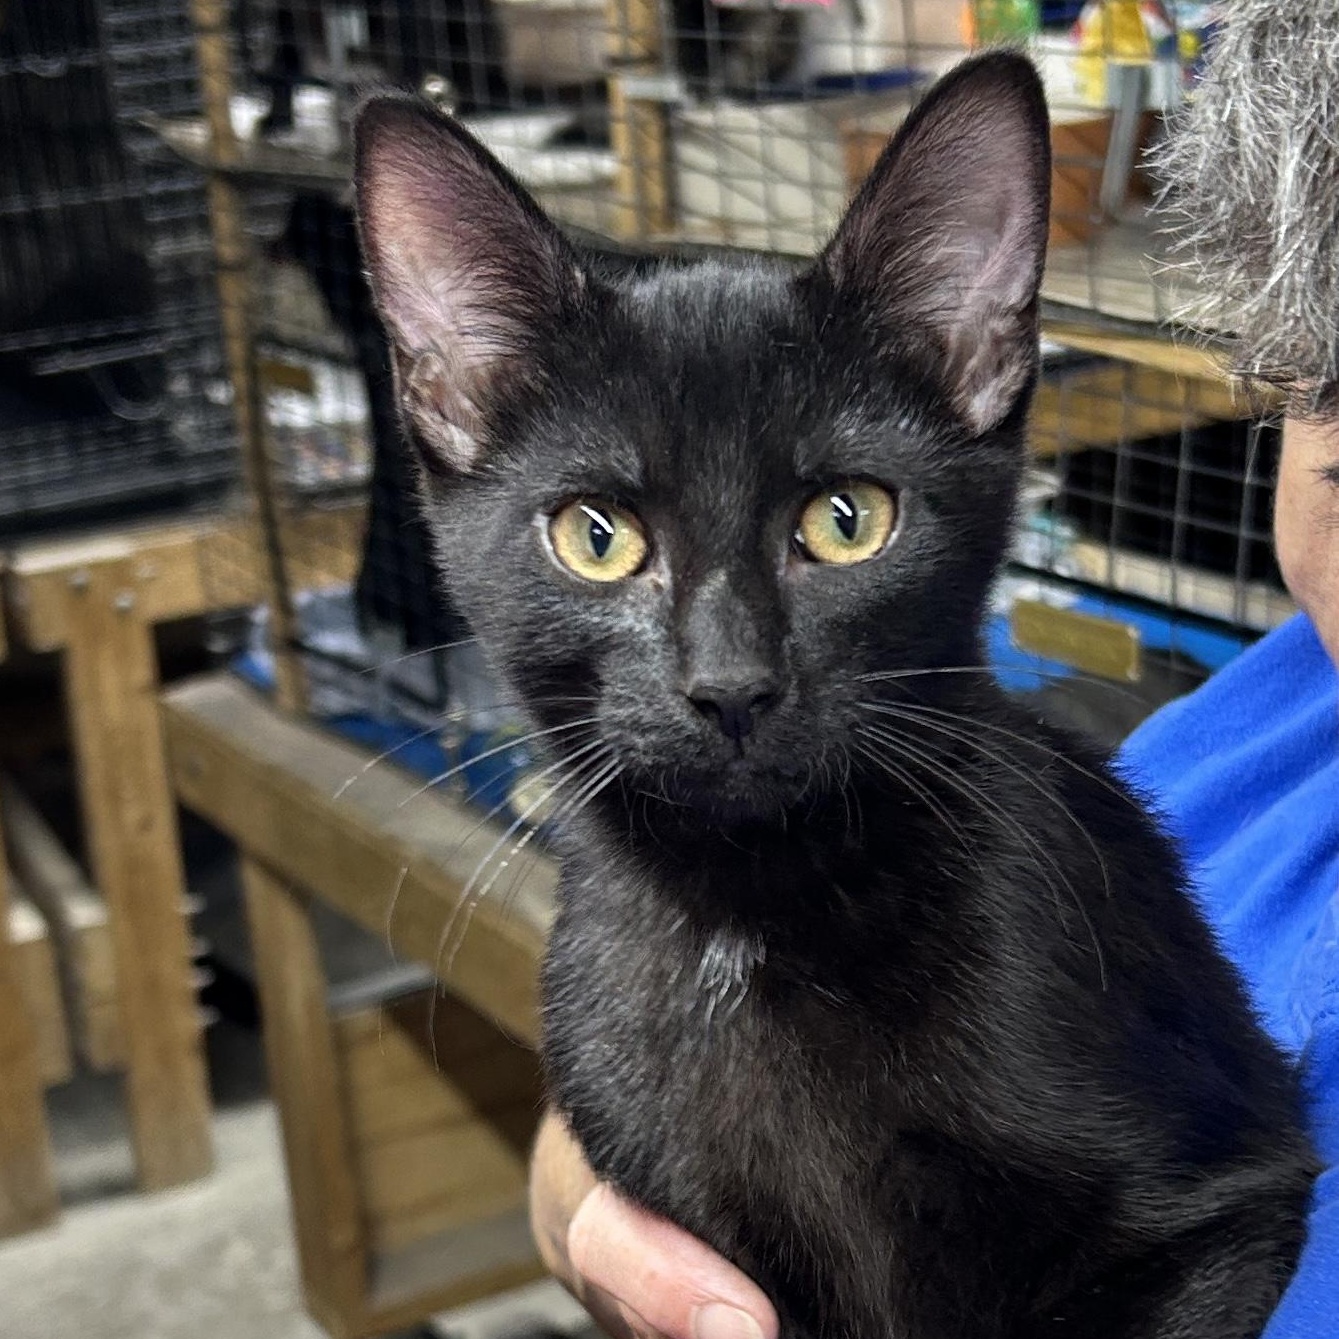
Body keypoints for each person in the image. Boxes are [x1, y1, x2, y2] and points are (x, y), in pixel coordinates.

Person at [527, 7, 1339, 1336]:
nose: (724, 669)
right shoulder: (1220, 759)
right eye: (1329, 403)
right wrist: (584, 1193)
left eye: (842, 524)